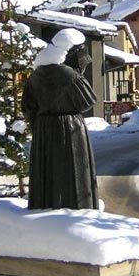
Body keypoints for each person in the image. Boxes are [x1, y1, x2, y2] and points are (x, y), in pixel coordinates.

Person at [21, 28, 99, 210]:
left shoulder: (35, 76)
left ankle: (45, 206)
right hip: (70, 127)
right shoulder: (69, 75)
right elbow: (88, 100)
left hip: (43, 130)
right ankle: (77, 209)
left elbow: (27, 107)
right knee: (74, 172)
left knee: (46, 174)